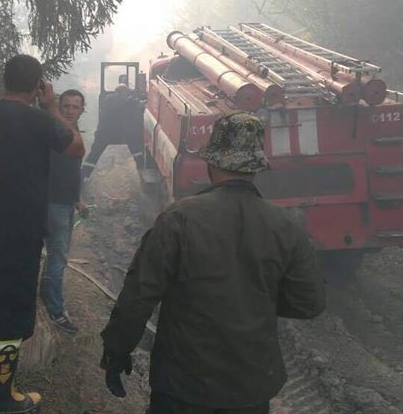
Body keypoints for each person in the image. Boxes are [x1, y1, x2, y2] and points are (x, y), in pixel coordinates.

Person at [99, 112, 327, 413]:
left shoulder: (179, 219)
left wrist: (116, 350)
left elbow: (139, 296)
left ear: (211, 163)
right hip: (251, 389)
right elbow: (309, 303)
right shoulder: (285, 226)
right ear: (256, 167)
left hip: (183, 385)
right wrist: (255, 297)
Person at [0, 55, 84, 414]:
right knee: (11, 314)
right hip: (17, 233)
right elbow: (77, 149)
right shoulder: (40, 120)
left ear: (4, 82)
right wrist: (51, 108)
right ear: (37, 86)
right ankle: (3, 398)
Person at [41, 89, 88, 334]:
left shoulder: (72, 131)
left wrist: (77, 199)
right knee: (58, 258)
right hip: (53, 205)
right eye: (66, 106)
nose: (70, 111)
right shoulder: (58, 131)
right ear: (59, 107)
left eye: (75, 107)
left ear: (82, 110)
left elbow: (71, 170)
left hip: (65, 203)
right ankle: (56, 311)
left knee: (56, 256)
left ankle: (46, 294)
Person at [81, 83, 145, 180]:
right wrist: (140, 102)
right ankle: (141, 170)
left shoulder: (107, 99)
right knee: (137, 149)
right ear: (123, 92)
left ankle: (84, 175)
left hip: (104, 133)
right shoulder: (122, 100)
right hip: (122, 133)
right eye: (127, 92)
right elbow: (129, 102)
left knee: (94, 154)